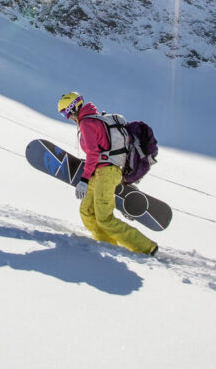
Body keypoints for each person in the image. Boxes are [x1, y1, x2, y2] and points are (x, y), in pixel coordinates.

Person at [57, 92, 158, 256]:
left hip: (108, 171)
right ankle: (109, 247)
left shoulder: (87, 123)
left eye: (65, 113)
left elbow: (92, 154)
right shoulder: (92, 119)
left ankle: (147, 248)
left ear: (72, 108)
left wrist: (83, 179)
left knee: (105, 218)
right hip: (100, 171)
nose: (66, 117)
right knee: (87, 212)